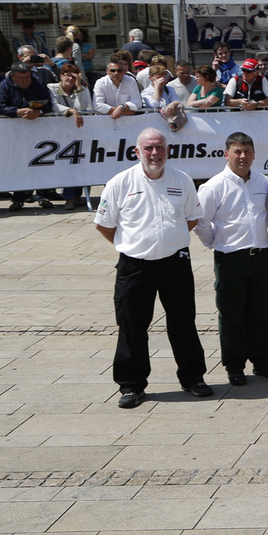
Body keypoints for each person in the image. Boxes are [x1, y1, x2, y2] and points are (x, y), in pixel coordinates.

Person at [94, 128, 212, 407]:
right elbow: (103, 224)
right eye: (148, 148)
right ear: (137, 152)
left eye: (159, 147)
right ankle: (131, 386)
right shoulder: (119, 183)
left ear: (167, 150)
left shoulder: (182, 180)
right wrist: (132, 244)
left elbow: (193, 218)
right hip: (134, 267)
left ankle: (193, 378)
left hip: (175, 263)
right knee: (132, 326)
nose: (155, 153)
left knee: (183, 323)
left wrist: (169, 239)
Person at [196, 132, 268, 387]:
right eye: (237, 152)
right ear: (226, 154)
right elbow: (201, 222)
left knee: (262, 313)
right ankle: (234, 366)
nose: (242, 157)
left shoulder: (263, 183)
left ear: (254, 154)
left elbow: (266, 215)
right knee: (232, 316)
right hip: (231, 259)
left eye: (247, 152)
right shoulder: (213, 186)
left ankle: (263, 361)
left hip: (260, 257)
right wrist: (216, 242)